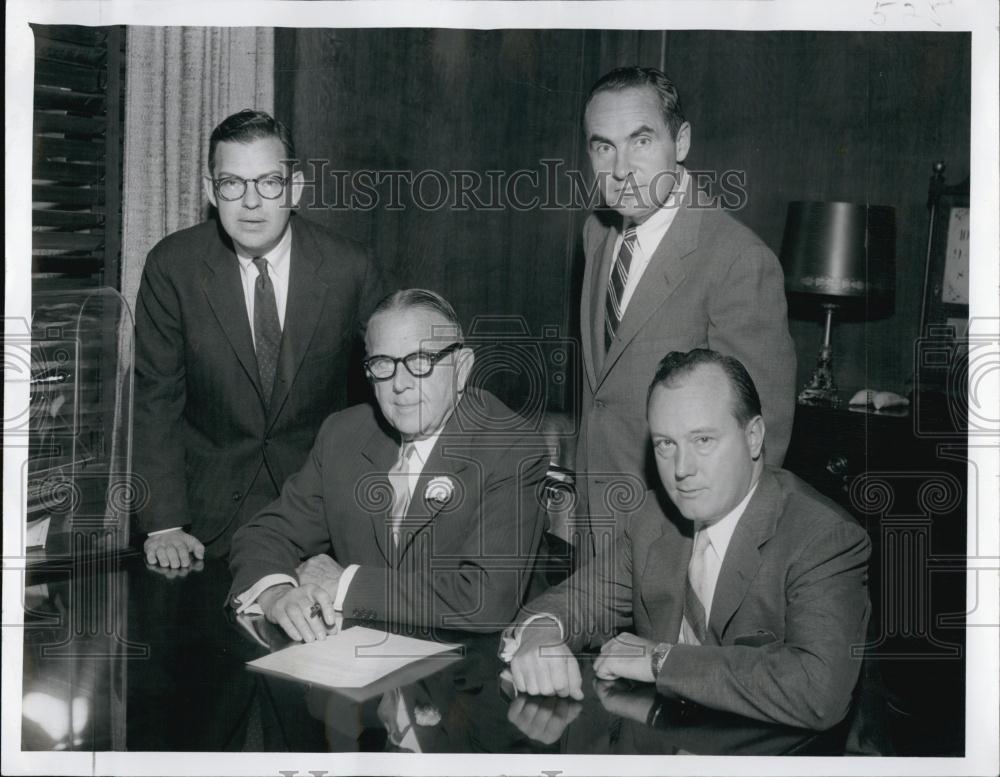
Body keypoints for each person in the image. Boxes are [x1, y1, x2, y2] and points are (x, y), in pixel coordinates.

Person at [503, 349, 871, 731]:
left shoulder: (823, 537)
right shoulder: (654, 519)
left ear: (754, 437)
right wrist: (541, 633)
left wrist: (660, 660)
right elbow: (580, 600)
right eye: (666, 444)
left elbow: (817, 690)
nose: (682, 469)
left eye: (703, 440)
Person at [133, 109, 381, 568]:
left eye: (269, 182)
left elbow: (392, 382)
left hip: (318, 522)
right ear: (211, 191)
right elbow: (155, 398)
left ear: (295, 189)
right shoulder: (173, 266)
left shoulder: (349, 267)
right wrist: (165, 523)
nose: (251, 202)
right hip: (201, 528)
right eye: (233, 183)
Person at [227, 289, 549, 637]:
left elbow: (484, 600)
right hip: (356, 664)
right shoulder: (344, 433)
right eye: (383, 364)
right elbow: (264, 535)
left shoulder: (511, 448)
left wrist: (345, 584)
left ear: (462, 368)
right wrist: (278, 594)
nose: (400, 384)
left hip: (465, 673)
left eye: (422, 360)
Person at [576, 66, 796, 539]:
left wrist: (703, 553)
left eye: (640, 141)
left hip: (673, 539)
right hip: (594, 527)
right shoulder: (597, 233)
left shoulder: (739, 260)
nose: (619, 169)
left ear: (681, 142)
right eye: (603, 146)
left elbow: (762, 438)